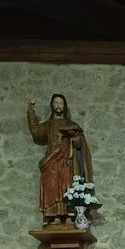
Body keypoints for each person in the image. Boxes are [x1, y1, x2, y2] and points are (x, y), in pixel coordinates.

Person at [27, 93, 93, 223]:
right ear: (52, 105)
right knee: (52, 185)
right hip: (51, 160)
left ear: (65, 106)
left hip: (66, 161)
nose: (58, 105)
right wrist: (31, 112)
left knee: (66, 186)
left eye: (61, 103)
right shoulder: (48, 125)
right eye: (56, 103)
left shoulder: (71, 124)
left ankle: (69, 215)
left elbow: (79, 145)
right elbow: (36, 133)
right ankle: (54, 215)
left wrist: (73, 136)